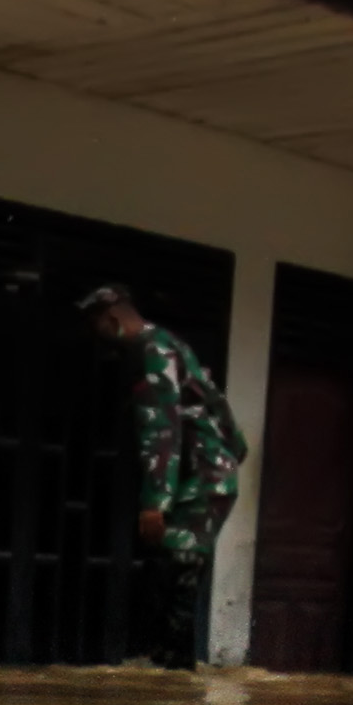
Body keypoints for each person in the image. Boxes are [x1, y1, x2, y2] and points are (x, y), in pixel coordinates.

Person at [89, 283, 241, 669]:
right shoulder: (174, 346)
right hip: (209, 477)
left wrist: (155, 502)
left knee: (173, 579)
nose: (99, 337)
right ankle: (174, 680)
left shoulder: (151, 351)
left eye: (98, 327)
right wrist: (228, 456)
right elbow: (223, 415)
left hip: (198, 481)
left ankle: (173, 684)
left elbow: (163, 430)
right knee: (177, 577)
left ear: (111, 320)